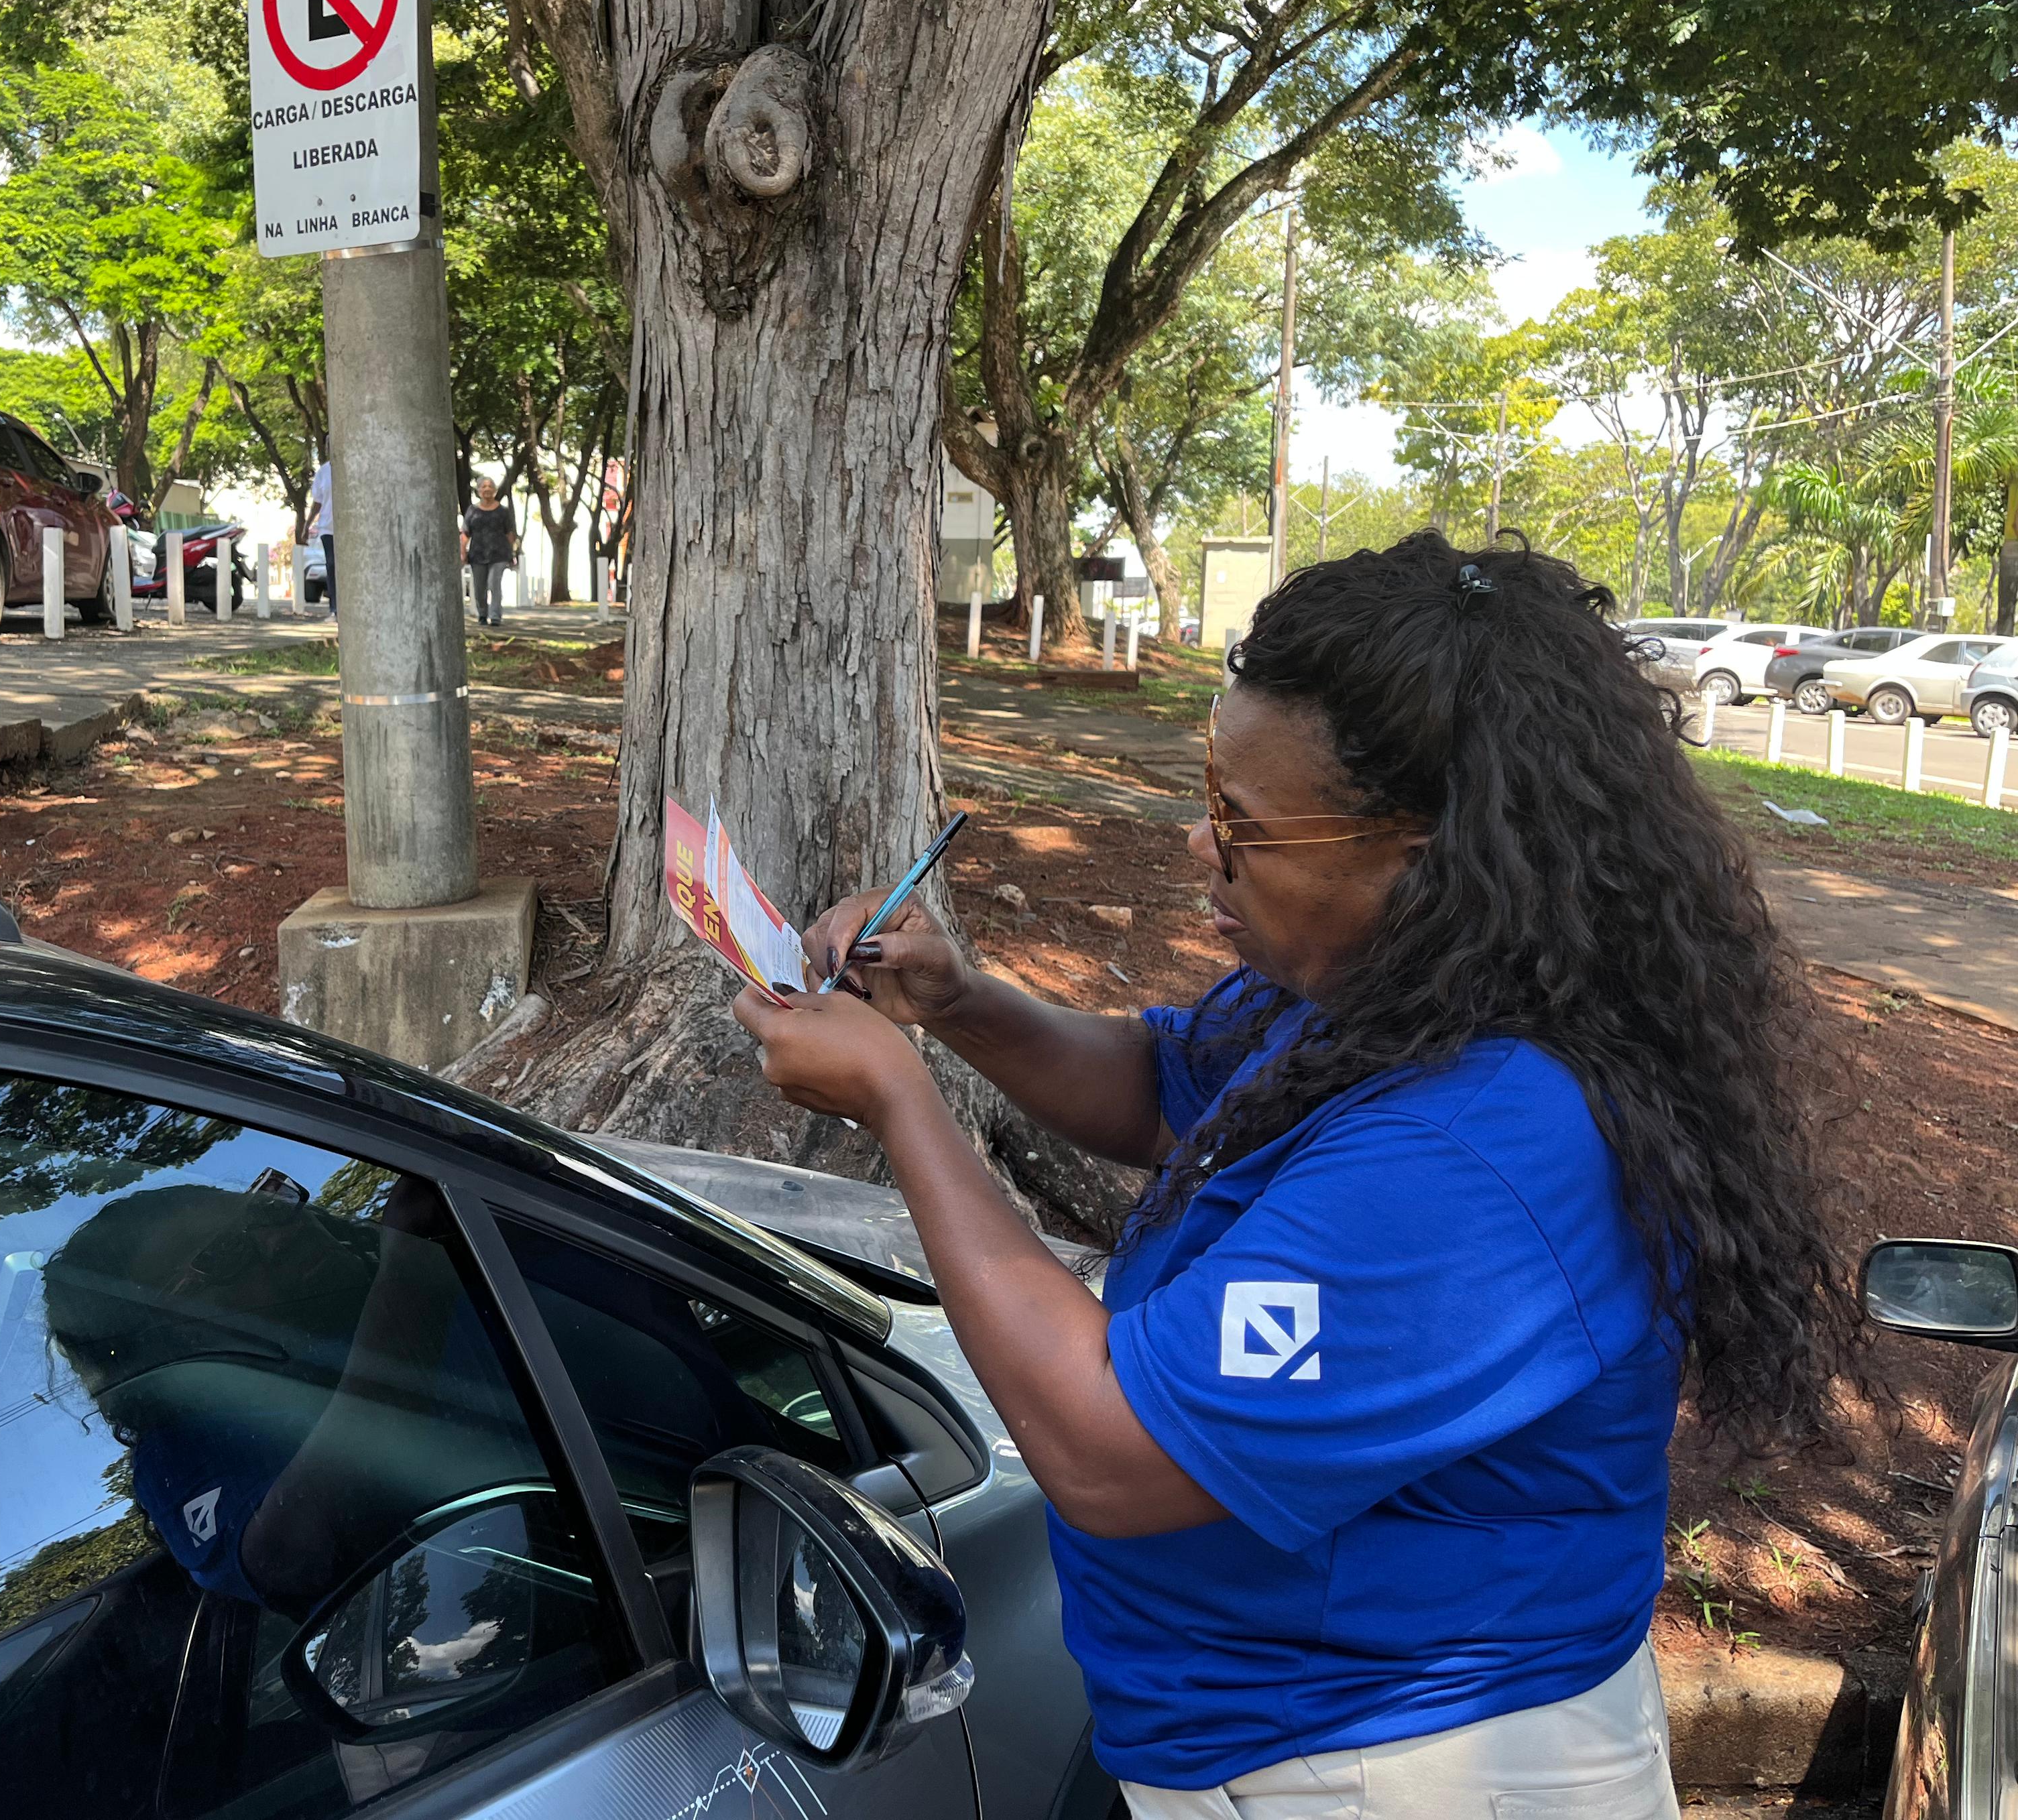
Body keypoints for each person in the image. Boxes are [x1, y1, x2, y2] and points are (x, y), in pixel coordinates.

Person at [733, 532, 1853, 1820]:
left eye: (1242, 826)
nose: (1199, 848)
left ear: (1429, 856)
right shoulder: (1380, 997)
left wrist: (896, 1097)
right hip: (1278, 1742)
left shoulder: (1479, 1153)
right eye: (1211, 793)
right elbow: (1167, 1091)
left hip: (1403, 1770)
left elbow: (1108, 1446)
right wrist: (961, 1004)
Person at [462, 477, 518, 627]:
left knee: (494, 584)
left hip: (499, 554)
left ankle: (495, 616)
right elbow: (465, 533)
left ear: (495, 490)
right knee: (480, 588)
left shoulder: (503, 511)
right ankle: (482, 614)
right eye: (483, 487)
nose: (487, 489)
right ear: (479, 491)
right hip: (477, 554)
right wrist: (463, 553)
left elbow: (510, 533)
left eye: (490, 486)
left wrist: (513, 553)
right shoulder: (472, 511)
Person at [304, 459, 335, 614]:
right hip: (328, 528)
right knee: (332, 564)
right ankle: (334, 608)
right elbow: (317, 502)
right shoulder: (323, 472)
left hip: (347, 529)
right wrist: (307, 525)